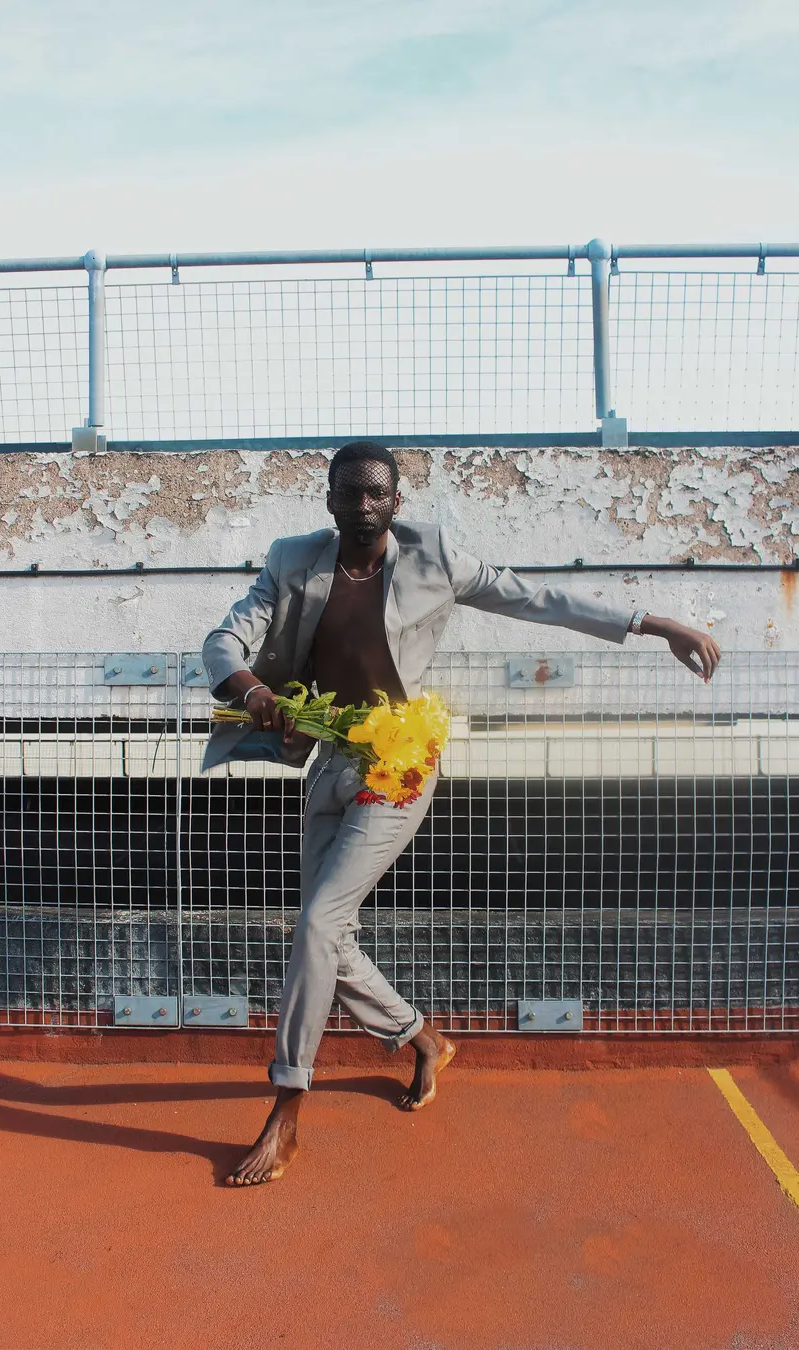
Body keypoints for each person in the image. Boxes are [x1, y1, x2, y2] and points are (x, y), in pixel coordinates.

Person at [201, 440, 720, 1185]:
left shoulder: (435, 557)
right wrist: (255, 691)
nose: (363, 506)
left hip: (400, 762)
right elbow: (225, 639)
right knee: (328, 937)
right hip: (330, 761)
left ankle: (286, 1110)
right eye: (349, 493)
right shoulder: (292, 560)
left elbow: (540, 599)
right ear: (329, 500)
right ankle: (420, 1039)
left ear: (396, 502)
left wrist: (654, 622)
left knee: (317, 926)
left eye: (377, 493)